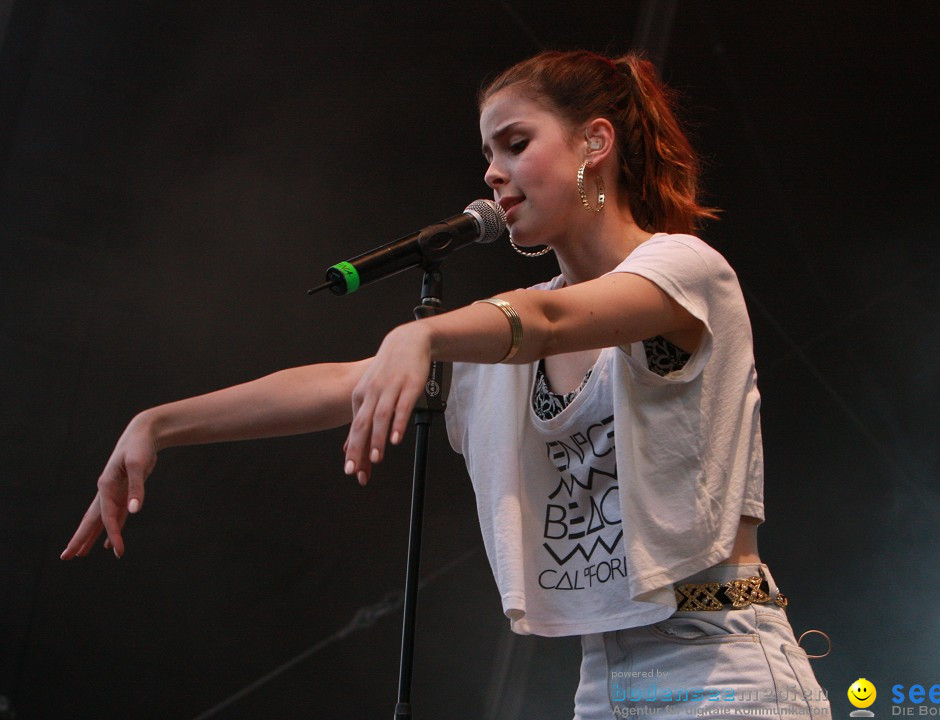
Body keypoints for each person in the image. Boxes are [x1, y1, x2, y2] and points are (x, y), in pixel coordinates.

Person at [63, 49, 832, 719]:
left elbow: (558, 322)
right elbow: (342, 384)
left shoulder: (684, 269)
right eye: (488, 152)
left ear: (595, 142)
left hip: (724, 665)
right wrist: (160, 423)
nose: (492, 172)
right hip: (605, 678)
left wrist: (423, 332)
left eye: (516, 143)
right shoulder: (509, 333)